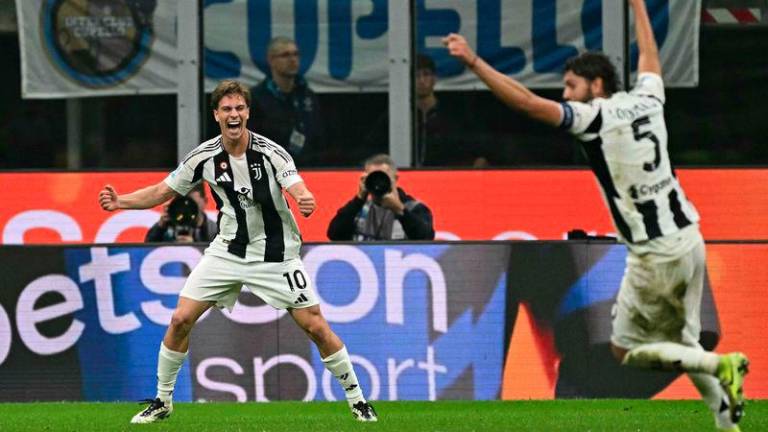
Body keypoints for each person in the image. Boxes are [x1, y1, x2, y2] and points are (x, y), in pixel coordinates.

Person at [443, 0, 748, 430]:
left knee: (626, 351)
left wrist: (474, 61)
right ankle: (726, 421)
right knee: (683, 338)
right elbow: (651, 56)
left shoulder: (594, 118)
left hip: (652, 251)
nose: (565, 94)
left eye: (570, 85)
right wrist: (639, 6)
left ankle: (719, 366)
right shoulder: (649, 98)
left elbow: (529, 104)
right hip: (690, 236)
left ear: (596, 84)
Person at [98, 80, 377, 424]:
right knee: (180, 319)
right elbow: (162, 191)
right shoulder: (203, 157)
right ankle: (163, 401)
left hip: (276, 254)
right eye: (227, 109)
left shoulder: (271, 152)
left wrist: (304, 197)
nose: (234, 114)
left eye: (239, 108)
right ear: (216, 115)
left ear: (248, 113)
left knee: (315, 326)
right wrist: (120, 202)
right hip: (227, 251)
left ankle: (358, 400)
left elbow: (295, 184)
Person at [247, 37, 326, 166]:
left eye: (296, 54)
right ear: (271, 60)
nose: (293, 60)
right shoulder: (256, 97)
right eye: (285, 55)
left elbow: (319, 136)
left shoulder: (307, 96)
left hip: (309, 169)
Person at [327, 154, 435, 241]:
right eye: (373, 178)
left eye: (383, 178)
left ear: (396, 178)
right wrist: (359, 199)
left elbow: (427, 239)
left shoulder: (415, 208)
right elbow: (334, 235)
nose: (378, 183)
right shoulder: (358, 210)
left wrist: (400, 210)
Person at [144, 183, 218, 243]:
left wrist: (195, 246)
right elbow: (147, 252)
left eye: (192, 204)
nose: (188, 208)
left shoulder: (214, 230)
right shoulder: (166, 224)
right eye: (183, 202)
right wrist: (160, 228)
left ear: (205, 201)